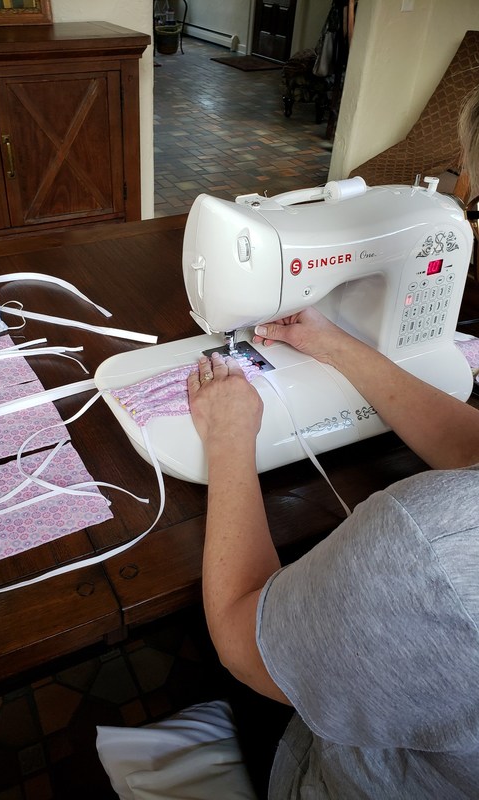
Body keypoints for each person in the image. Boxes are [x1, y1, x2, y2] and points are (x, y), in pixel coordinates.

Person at [186, 84, 479, 799]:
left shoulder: (435, 546)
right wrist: (339, 347)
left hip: (364, 778)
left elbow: (241, 638)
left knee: (192, 675)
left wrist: (229, 445)